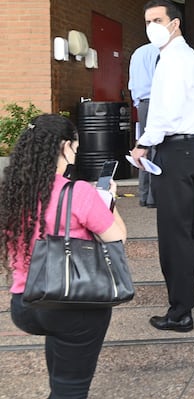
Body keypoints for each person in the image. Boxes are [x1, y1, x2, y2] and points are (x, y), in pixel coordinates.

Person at [0, 114, 127, 397]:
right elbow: (117, 238)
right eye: (76, 147)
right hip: (72, 302)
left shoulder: (14, 192)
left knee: (62, 379)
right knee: (72, 390)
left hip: (26, 303)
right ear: (65, 146)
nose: (76, 153)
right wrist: (109, 201)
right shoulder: (79, 192)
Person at [130, 0, 194, 331]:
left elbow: (166, 111)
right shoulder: (190, 58)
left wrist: (144, 144)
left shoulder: (173, 60)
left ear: (175, 23)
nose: (151, 27)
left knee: (175, 235)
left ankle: (180, 311)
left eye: (157, 20)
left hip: (175, 152)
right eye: (146, 21)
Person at [128, 42, 160, 208]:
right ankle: (153, 198)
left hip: (141, 103)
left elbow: (132, 82)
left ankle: (143, 194)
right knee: (156, 147)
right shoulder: (161, 52)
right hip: (155, 101)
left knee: (143, 148)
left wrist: (136, 103)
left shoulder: (138, 51)